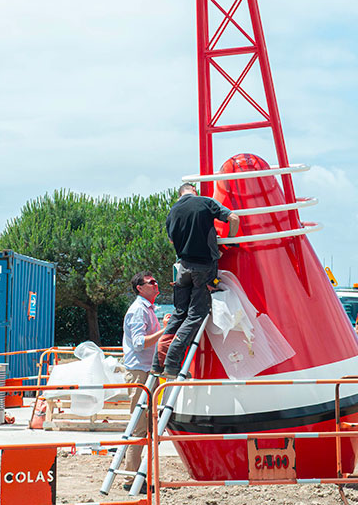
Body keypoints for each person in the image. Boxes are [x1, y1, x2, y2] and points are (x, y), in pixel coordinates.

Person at [156, 183, 239, 377]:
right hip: (203, 267)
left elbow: (172, 240)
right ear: (194, 191)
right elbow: (234, 218)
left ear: (179, 195)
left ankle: (157, 364)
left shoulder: (172, 212)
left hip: (183, 268)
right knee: (195, 315)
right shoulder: (205, 202)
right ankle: (172, 364)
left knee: (179, 314)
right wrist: (229, 242)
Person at [120, 271, 165, 488]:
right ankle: (131, 479)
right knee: (139, 427)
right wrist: (164, 331)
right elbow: (139, 343)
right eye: (151, 282)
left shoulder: (148, 309)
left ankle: (140, 477)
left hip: (147, 370)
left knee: (148, 427)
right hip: (140, 372)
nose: (156, 284)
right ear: (140, 287)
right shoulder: (138, 310)